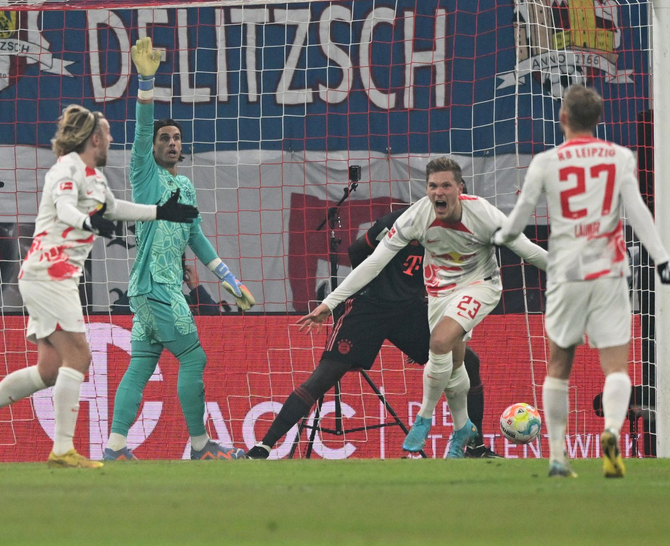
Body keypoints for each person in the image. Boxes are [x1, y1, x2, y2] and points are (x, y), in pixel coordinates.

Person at [0, 105, 199, 468]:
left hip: (53, 275)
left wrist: (160, 212)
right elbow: (66, 208)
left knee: (50, 370)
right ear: (93, 138)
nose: (112, 139)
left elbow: (114, 208)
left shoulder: (95, 176)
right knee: (79, 357)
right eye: (108, 133)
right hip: (48, 272)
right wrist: (89, 221)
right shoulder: (66, 168)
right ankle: (62, 449)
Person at [299, 157, 547, 458]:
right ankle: (464, 433)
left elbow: (530, 252)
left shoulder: (482, 213)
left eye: (445, 185)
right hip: (440, 290)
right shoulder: (415, 217)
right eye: (432, 186)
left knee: (439, 342)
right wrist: (330, 301)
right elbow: (374, 263)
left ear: (459, 189)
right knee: (456, 366)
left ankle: (424, 419)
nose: (438, 192)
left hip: (480, 285)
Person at [494, 85, 670, 478]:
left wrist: (501, 237)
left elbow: (520, 215)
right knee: (617, 367)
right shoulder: (619, 157)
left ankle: (558, 456)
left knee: (558, 365)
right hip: (609, 272)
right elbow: (637, 210)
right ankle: (610, 432)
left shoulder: (546, 161)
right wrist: (661, 258)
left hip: (566, 274)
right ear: (600, 119)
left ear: (564, 118)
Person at [246, 206, 501, 459]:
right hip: (368, 308)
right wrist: (360, 292)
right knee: (324, 377)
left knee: (468, 361)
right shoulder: (397, 222)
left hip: (410, 310)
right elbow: (357, 251)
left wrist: (429, 331)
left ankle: (475, 448)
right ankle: (264, 446)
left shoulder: (457, 235)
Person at [103, 37, 254, 461]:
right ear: (152, 149)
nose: (171, 142)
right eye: (164, 138)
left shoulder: (185, 186)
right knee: (194, 358)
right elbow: (140, 129)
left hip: (152, 291)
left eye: (176, 138)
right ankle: (201, 446)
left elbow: (196, 237)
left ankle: (115, 447)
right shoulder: (145, 176)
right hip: (158, 287)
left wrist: (229, 279)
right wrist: (146, 82)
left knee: (141, 364)